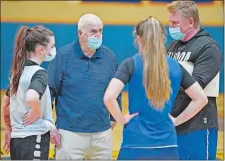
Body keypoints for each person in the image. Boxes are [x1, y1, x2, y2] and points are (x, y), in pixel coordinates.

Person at [103, 16, 208, 160]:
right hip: (168, 146)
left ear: (138, 38)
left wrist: (121, 120)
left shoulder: (130, 64)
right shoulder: (176, 66)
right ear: (163, 38)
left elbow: (109, 97)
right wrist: (176, 121)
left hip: (134, 144)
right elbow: (201, 99)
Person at [48, 13, 121, 160]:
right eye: (93, 31)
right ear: (80, 33)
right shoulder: (63, 56)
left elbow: (116, 91)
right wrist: (49, 125)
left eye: (100, 30)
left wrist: (113, 119)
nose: (98, 35)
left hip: (102, 135)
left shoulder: (109, 57)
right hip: (69, 134)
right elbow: (49, 92)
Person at [166, 1, 222, 160]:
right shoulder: (173, 46)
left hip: (197, 126)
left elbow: (194, 87)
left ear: (190, 22)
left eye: (175, 23)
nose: (170, 26)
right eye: (170, 22)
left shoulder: (208, 48)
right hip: (172, 124)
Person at [1, 25, 56, 160]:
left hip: (17, 139)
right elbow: (32, 97)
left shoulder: (18, 73)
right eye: (52, 46)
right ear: (41, 49)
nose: (54, 50)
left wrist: (8, 130)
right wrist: (37, 110)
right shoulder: (39, 73)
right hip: (34, 138)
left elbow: (5, 101)